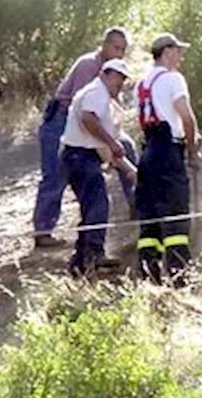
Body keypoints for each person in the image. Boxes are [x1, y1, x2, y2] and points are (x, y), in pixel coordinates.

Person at [32, 27, 137, 248]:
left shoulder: (111, 73)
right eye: (116, 47)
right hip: (61, 121)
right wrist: (106, 143)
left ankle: (138, 205)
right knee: (55, 175)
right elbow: (83, 112)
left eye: (123, 50)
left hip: (81, 121)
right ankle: (43, 231)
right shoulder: (90, 65)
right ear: (105, 45)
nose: (119, 53)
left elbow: (103, 109)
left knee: (127, 146)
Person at [59, 58, 135, 276]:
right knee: (99, 202)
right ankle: (93, 254)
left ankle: (80, 262)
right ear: (106, 75)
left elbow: (105, 146)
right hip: (79, 156)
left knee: (91, 207)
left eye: (122, 82)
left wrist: (130, 171)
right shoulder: (96, 93)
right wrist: (112, 143)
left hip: (80, 156)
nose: (119, 86)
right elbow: (88, 120)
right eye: (117, 81)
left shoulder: (102, 99)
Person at [133, 33, 199, 285]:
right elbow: (186, 117)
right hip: (168, 152)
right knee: (176, 217)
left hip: (147, 152)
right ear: (167, 51)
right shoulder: (173, 79)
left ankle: (149, 280)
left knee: (149, 221)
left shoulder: (143, 82)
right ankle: (181, 279)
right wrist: (191, 151)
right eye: (178, 51)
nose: (181, 56)